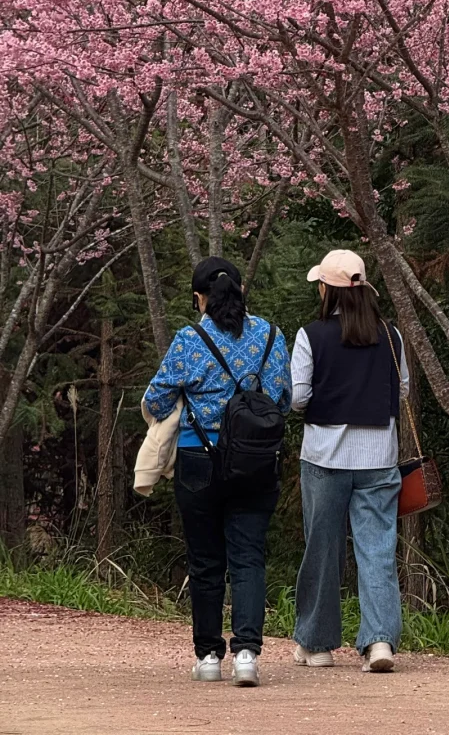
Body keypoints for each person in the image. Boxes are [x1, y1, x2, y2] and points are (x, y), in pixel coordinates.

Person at [143, 256, 291, 688]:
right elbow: (283, 400)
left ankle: (208, 657)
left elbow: (155, 400)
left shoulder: (191, 340)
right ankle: (247, 654)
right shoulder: (270, 335)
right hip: (256, 462)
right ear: (242, 292)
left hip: (199, 460)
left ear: (198, 298)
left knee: (206, 560)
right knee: (248, 557)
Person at [291, 249, 408, 673]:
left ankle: (318, 645)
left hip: (325, 456)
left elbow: (299, 397)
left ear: (327, 289)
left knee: (321, 551)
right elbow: (404, 390)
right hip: (380, 457)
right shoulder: (391, 336)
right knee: (377, 550)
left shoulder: (311, 335)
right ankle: (379, 643)